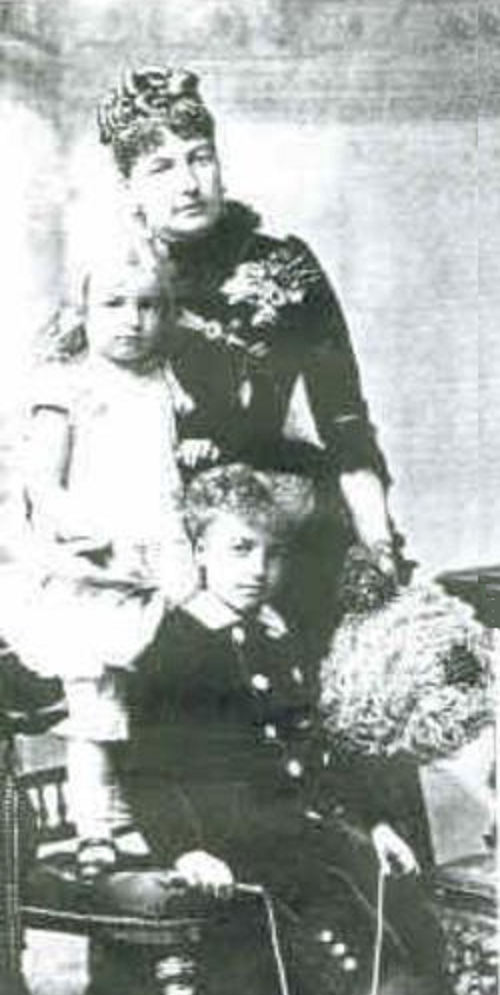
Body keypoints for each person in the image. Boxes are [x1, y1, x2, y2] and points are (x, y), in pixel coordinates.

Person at [94, 464, 454, 995]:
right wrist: (185, 849)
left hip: (305, 841)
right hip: (231, 855)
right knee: (310, 966)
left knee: (409, 933)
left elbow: (319, 745)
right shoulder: (176, 650)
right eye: (240, 549)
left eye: (273, 553)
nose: (258, 570)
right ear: (200, 551)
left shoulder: (277, 637)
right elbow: (148, 771)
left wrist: (375, 821)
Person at [96, 65, 403, 657]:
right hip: (156, 530)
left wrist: (378, 544)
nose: (189, 183)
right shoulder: (114, 284)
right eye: (161, 167)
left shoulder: (286, 268)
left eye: (200, 158)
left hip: (277, 520)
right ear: (128, 185)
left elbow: (344, 421)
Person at [0, 244, 196, 877]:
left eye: (149, 306)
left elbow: (171, 461)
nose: (132, 320)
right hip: (94, 569)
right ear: (82, 312)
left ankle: (138, 819)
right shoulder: (68, 385)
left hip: (158, 558)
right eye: (114, 304)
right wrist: (82, 529)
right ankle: (95, 830)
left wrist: (195, 456)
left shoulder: (165, 381)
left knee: (155, 700)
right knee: (97, 706)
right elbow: (42, 482)